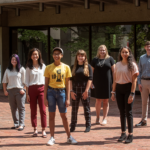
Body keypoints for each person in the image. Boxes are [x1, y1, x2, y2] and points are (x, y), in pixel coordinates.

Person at [44, 47, 77, 146]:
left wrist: (68, 98)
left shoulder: (66, 67)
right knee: (51, 115)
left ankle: (69, 137)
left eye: (58, 54)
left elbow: (68, 84)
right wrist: (45, 97)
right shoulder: (48, 67)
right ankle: (52, 137)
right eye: (54, 54)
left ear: (62, 55)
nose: (56, 55)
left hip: (62, 92)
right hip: (51, 92)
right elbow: (45, 84)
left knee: (64, 116)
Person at [111, 46, 139, 144]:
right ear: (120, 53)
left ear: (129, 53)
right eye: (123, 52)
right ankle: (123, 133)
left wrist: (132, 94)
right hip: (119, 89)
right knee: (121, 112)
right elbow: (115, 80)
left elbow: (134, 81)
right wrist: (113, 92)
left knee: (128, 112)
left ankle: (130, 134)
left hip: (128, 89)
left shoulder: (133, 65)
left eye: (126, 52)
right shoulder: (117, 65)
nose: (124, 54)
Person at [91, 45, 115, 125]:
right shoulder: (95, 60)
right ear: (98, 51)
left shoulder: (110, 59)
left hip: (107, 82)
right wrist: (91, 82)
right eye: (101, 50)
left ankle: (105, 118)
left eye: (104, 50)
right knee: (98, 100)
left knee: (105, 100)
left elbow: (114, 72)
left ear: (106, 51)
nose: (102, 52)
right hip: (97, 82)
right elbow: (91, 72)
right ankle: (97, 117)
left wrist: (114, 82)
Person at [25, 48, 47, 138]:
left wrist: (46, 92)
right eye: (33, 54)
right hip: (32, 89)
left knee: (43, 110)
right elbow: (26, 82)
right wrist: (27, 94)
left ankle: (44, 129)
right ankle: (35, 129)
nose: (35, 56)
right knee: (33, 110)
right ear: (31, 56)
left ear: (39, 55)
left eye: (36, 54)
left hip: (42, 88)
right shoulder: (28, 68)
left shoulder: (43, 66)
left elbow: (46, 80)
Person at [70, 50, 93, 133]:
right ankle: (72, 126)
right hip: (75, 89)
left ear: (85, 57)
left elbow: (90, 79)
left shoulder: (88, 67)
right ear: (77, 57)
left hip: (85, 89)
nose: (80, 57)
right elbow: (70, 80)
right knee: (74, 109)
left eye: (82, 56)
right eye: (79, 56)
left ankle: (88, 125)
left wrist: (87, 90)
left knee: (86, 108)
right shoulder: (73, 67)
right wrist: (71, 91)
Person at [2, 54, 26, 131]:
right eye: (12, 59)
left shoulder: (21, 69)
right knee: (13, 108)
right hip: (10, 91)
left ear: (18, 60)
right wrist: (5, 90)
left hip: (20, 91)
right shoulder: (8, 70)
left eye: (15, 59)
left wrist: (24, 89)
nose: (14, 61)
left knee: (21, 107)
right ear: (11, 61)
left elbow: (26, 81)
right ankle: (16, 123)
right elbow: (4, 82)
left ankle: (21, 124)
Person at [135, 41, 150, 127]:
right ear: (145, 48)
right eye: (147, 46)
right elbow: (139, 71)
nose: (149, 48)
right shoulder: (142, 58)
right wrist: (139, 82)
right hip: (144, 82)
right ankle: (144, 120)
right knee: (144, 102)